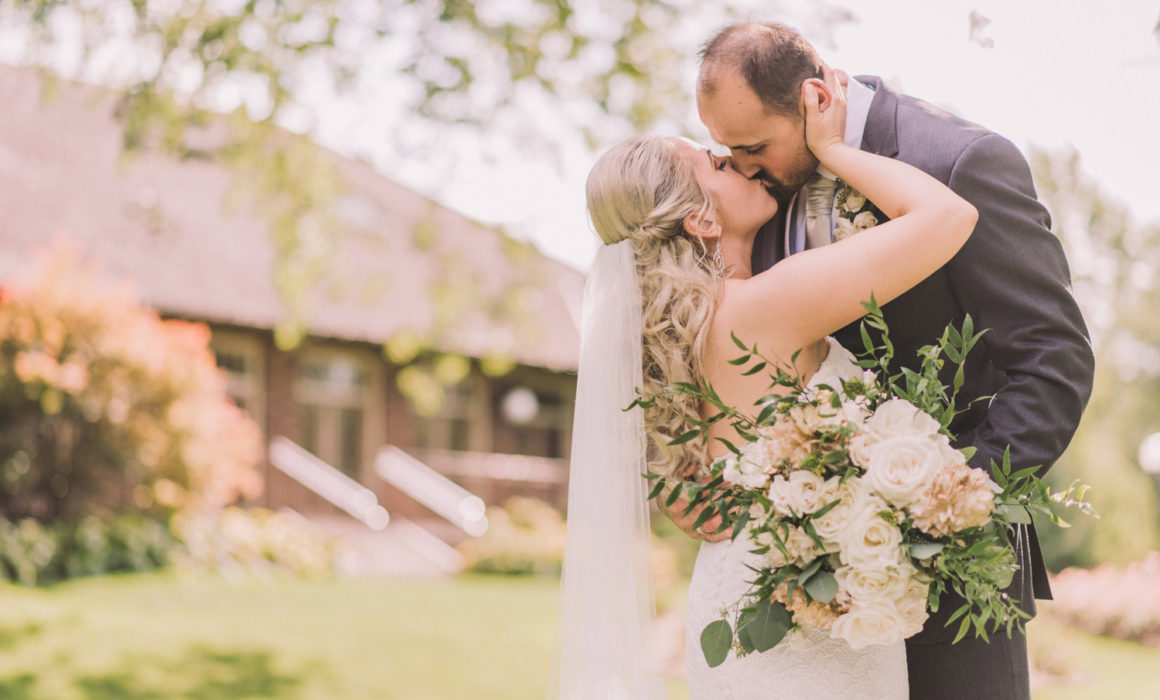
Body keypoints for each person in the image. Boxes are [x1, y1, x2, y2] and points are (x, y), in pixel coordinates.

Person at [669, 21, 1095, 699]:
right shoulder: (757, 197)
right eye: (729, 153)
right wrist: (687, 475)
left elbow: (1054, 360)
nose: (743, 166)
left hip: (957, 565)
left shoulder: (960, 162)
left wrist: (941, 509)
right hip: (804, 585)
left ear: (811, 96)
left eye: (752, 147)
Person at [552, 64, 977, 698]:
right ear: (699, 220)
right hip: (802, 627)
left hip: (749, 597)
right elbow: (947, 215)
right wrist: (833, 148)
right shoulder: (759, 309)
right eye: (717, 166)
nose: (739, 162)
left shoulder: (672, 347)